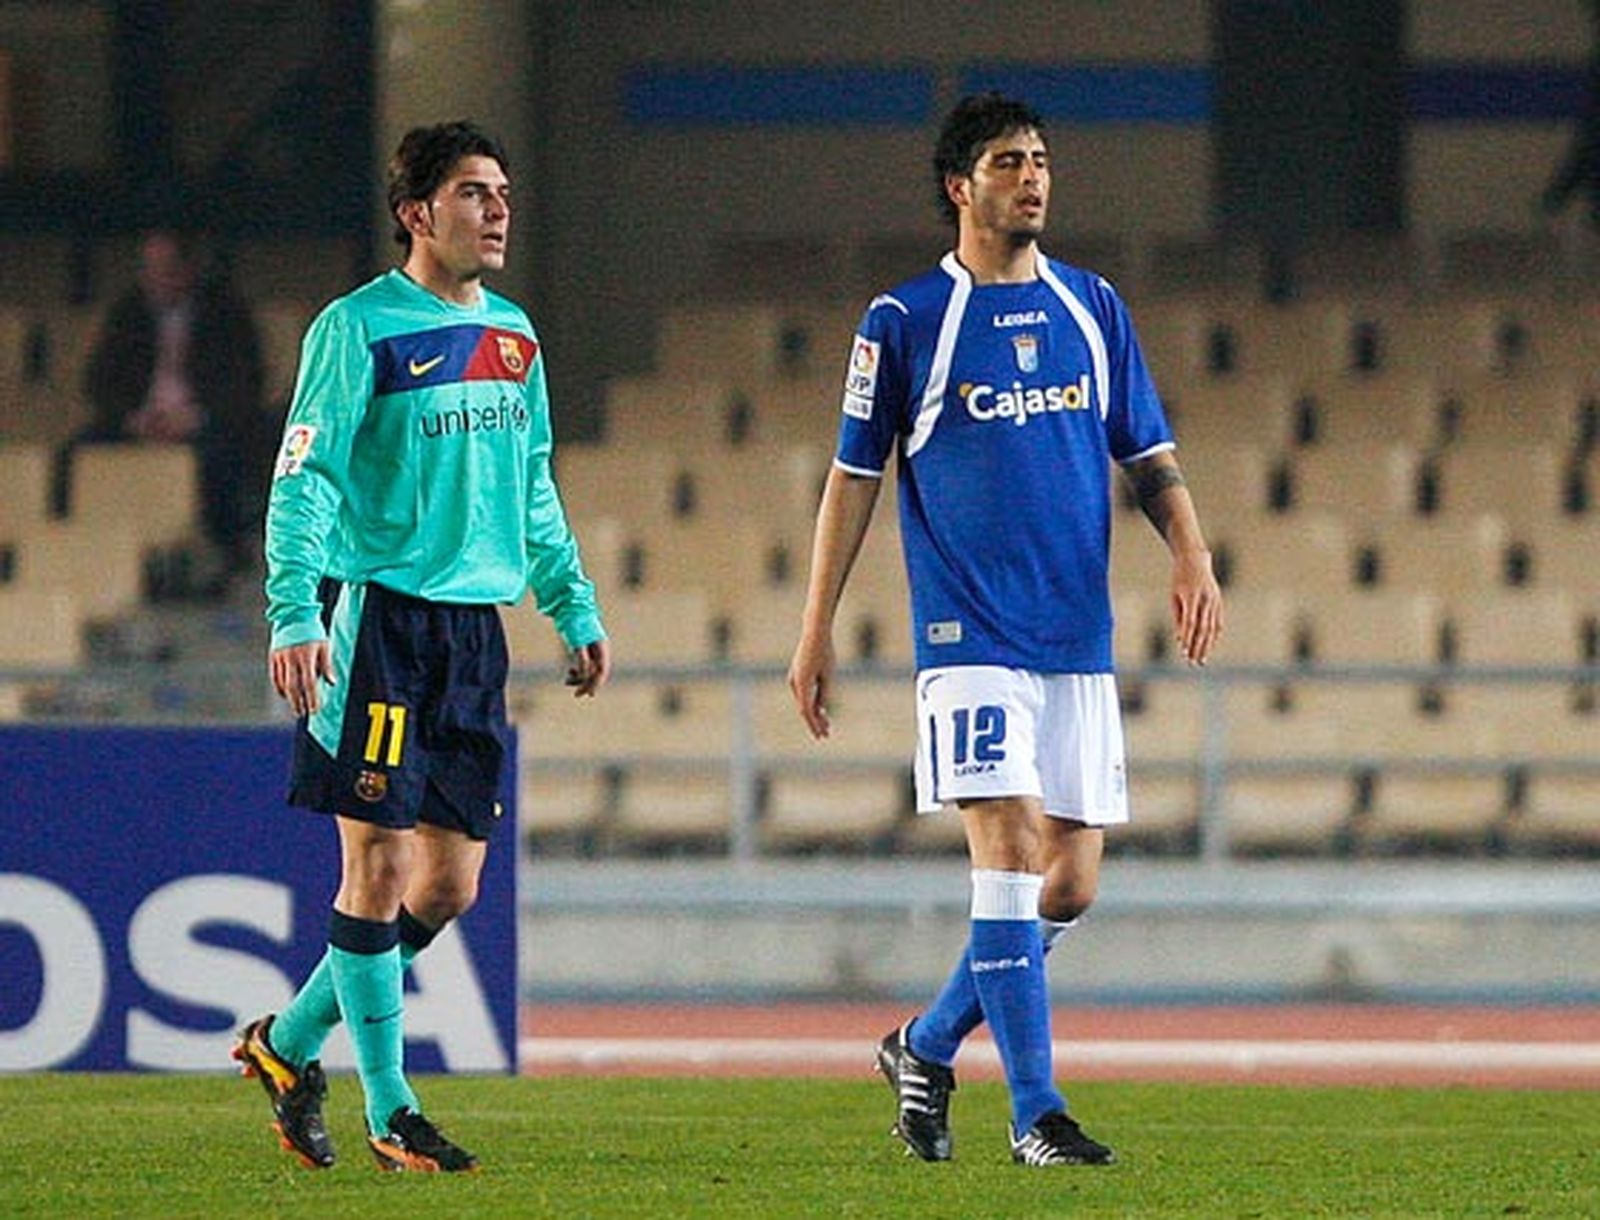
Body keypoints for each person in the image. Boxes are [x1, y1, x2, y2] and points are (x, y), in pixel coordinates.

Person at [788, 93, 1222, 1168]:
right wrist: (816, 627)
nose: (1031, 177)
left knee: (1069, 882)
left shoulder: (1092, 306)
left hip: (1074, 633)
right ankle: (1036, 1110)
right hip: (966, 635)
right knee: (1013, 847)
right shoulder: (901, 323)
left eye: (1038, 160)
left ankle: (925, 1042)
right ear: (959, 186)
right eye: (1005, 161)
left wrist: (1192, 550)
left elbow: (1148, 454)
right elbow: (852, 479)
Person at [233, 120, 610, 1173]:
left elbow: (532, 481)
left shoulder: (517, 338)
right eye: (472, 193)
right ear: (416, 213)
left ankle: (290, 1041)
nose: (496, 209)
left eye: (501, 192)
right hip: (378, 619)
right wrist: (295, 608)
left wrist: (572, 604)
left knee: (448, 887)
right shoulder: (357, 329)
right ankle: (392, 1108)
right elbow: (303, 475)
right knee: (380, 859)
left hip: (472, 633)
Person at [61, 229, 266, 576]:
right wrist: (133, 419)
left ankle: (220, 557)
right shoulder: (128, 313)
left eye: (167, 268)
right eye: (149, 269)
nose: (157, 279)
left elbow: (244, 385)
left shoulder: (225, 312)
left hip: (202, 426)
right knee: (77, 453)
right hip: (139, 423)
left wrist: (196, 418)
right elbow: (99, 383)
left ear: (189, 269)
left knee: (225, 455)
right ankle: (81, 553)